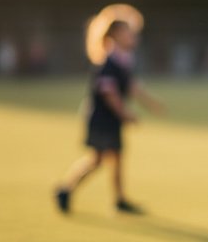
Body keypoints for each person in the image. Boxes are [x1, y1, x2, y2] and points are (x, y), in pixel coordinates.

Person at [55, 13, 164, 214]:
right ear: (115, 35)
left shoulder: (123, 60)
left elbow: (131, 87)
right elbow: (109, 93)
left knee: (116, 157)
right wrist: (124, 113)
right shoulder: (108, 62)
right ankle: (65, 189)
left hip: (110, 119)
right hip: (102, 119)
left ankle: (119, 199)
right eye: (128, 32)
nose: (133, 36)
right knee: (98, 160)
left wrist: (151, 104)